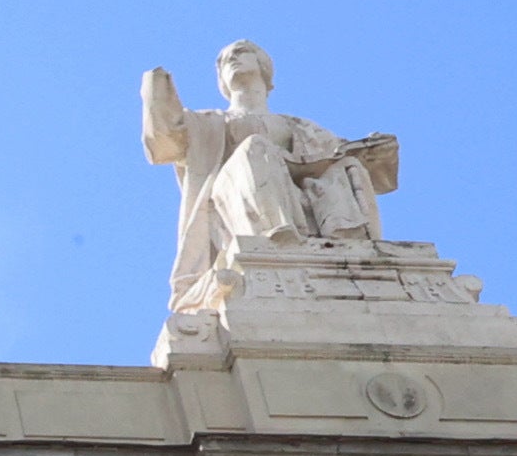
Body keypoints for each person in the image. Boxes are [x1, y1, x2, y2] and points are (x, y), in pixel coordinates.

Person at [137, 41, 394, 295]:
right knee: (254, 148)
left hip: (297, 194)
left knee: (346, 166)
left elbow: (342, 157)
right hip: (234, 201)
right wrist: (156, 89)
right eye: (225, 60)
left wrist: (374, 149)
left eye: (240, 52)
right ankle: (275, 238)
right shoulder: (207, 122)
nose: (231, 60)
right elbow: (164, 141)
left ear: (263, 66)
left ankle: (352, 246)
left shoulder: (299, 125)